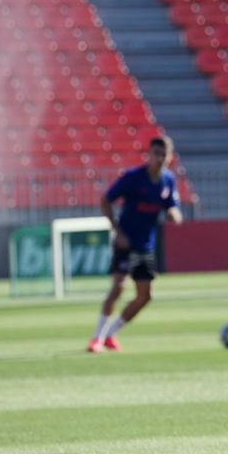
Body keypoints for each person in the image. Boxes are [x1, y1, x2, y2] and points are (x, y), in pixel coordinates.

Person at [88, 135, 183, 353]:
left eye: (163, 155)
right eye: (156, 154)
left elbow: (173, 206)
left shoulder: (168, 181)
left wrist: (174, 214)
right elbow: (106, 200)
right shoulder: (133, 178)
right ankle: (97, 338)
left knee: (145, 296)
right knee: (119, 287)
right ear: (149, 155)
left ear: (169, 158)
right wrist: (116, 231)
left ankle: (112, 333)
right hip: (126, 241)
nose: (159, 158)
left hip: (145, 245)